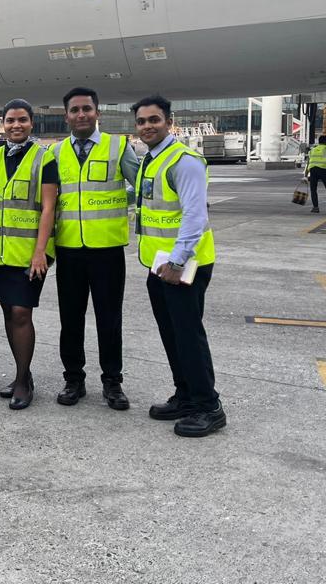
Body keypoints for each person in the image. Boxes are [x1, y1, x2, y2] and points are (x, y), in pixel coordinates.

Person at [133, 95, 225, 437]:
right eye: (142, 121)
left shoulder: (184, 161)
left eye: (154, 120)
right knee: (172, 334)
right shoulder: (151, 159)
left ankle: (208, 405)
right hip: (158, 265)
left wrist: (176, 261)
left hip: (184, 265)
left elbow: (195, 217)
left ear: (168, 122)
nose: (147, 126)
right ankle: (185, 394)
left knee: (188, 335)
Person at [50, 87, 139, 411]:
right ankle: (73, 379)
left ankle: (112, 382)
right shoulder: (56, 153)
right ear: (67, 117)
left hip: (107, 250)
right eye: (74, 110)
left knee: (109, 319)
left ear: (97, 113)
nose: (81, 115)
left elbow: (141, 186)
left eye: (87, 109)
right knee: (70, 319)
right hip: (70, 248)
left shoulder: (118, 146)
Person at [0, 99, 57, 410]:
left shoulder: (43, 158)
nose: (16, 125)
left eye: (22, 120)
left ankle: (24, 381)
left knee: (23, 314)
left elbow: (49, 208)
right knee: (9, 313)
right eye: (10, 120)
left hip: (29, 255)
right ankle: (21, 373)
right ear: (3, 124)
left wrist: (40, 252)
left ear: (31, 123)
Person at [306, 135, 326, 213]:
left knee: (313, 190)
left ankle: (315, 207)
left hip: (313, 171)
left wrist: (305, 175)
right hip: (323, 170)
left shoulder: (312, 150)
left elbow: (308, 163)